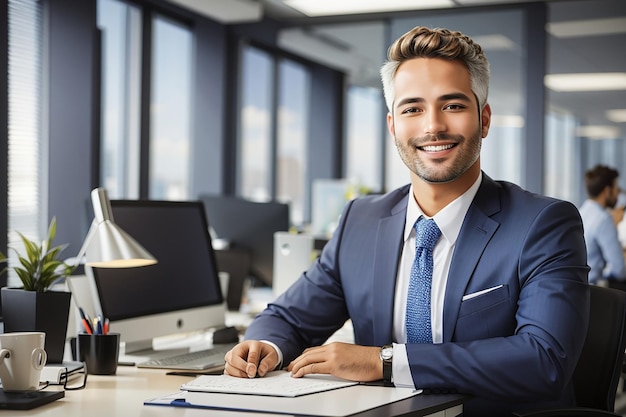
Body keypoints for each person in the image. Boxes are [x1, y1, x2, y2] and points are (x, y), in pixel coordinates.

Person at [224, 26, 590, 416]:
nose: (432, 126)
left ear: (484, 120)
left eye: (452, 105)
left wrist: (383, 361)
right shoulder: (361, 220)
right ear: (393, 125)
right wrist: (264, 346)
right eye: (412, 108)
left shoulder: (544, 223)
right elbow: (288, 317)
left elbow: (544, 359)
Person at [579, 164, 626, 284]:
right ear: (607, 191)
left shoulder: (581, 211)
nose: (618, 193)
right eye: (616, 188)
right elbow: (619, 270)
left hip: (580, 286)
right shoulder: (604, 219)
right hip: (595, 291)